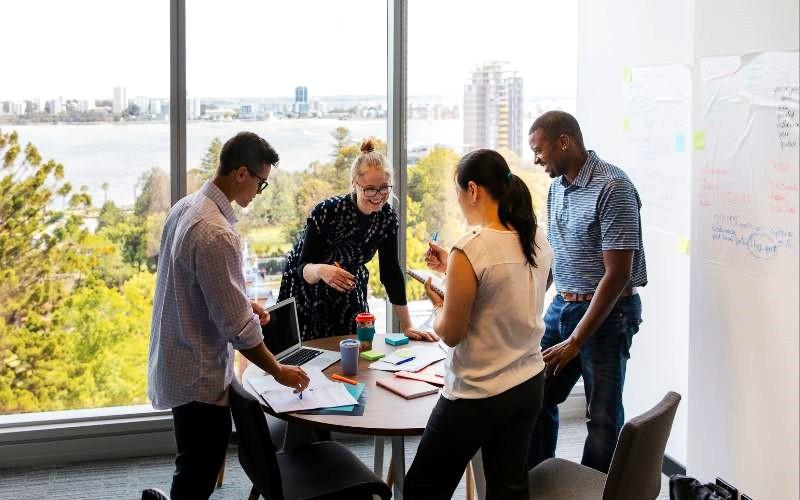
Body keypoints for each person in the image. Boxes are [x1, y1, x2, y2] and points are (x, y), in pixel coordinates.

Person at [148, 132, 310, 500]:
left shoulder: (187, 207)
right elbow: (240, 331)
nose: (259, 190)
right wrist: (277, 370)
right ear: (241, 173)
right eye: (261, 182)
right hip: (199, 373)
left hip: (177, 358)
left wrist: (242, 303)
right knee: (198, 472)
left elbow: (191, 286)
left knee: (190, 460)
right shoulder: (216, 232)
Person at [403, 149, 552, 500]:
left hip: (477, 394)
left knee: (422, 489)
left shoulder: (471, 247)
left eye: (458, 193)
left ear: (472, 190)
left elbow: (451, 334)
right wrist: (451, 274)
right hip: (528, 382)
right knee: (508, 488)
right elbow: (511, 293)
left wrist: (440, 303)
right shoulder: (537, 237)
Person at [526, 110, 647, 474]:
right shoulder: (556, 186)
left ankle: (593, 490)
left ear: (564, 141)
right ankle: (540, 482)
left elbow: (617, 275)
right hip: (563, 306)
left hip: (610, 314)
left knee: (603, 416)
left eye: (539, 150)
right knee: (535, 394)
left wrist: (576, 340)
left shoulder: (614, 187)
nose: (536, 159)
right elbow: (556, 254)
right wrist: (529, 304)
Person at [278, 137, 436, 342]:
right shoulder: (327, 211)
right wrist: (322, 270)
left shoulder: (387, 217)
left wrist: (407, 325)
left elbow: (391, 272)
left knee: (358, 345)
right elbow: (303, 268)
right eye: (370, 189)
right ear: (355, 184)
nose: (378, 196)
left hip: (348, 284)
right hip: (307, 288)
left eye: (384, 188)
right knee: (313, 356)